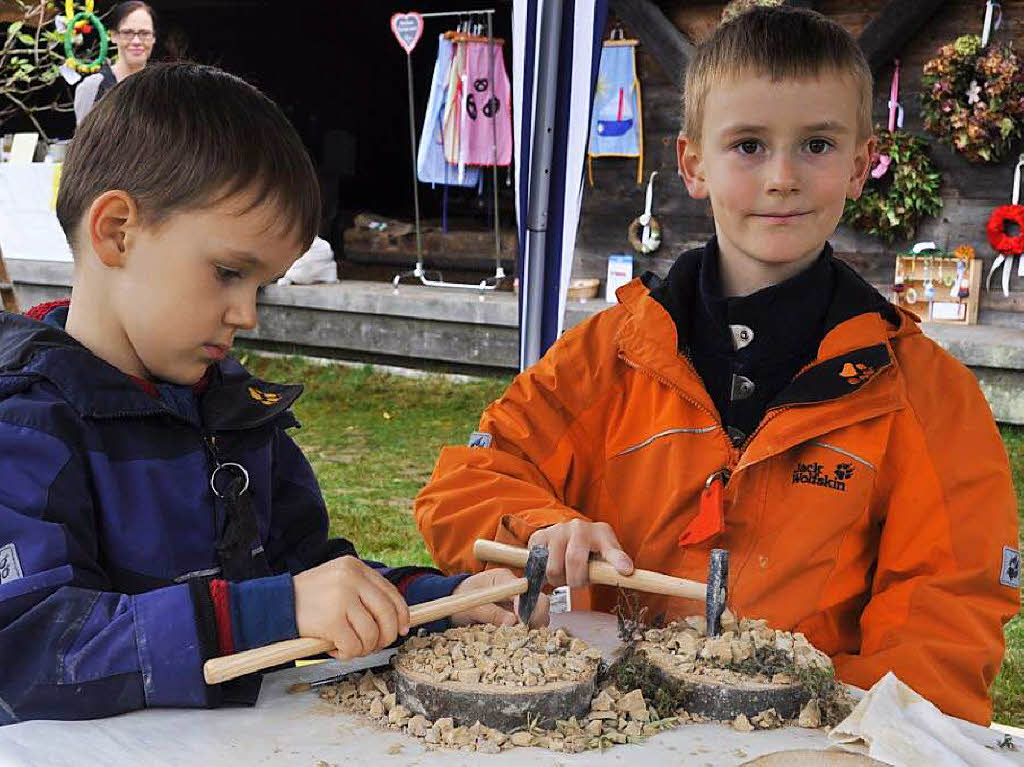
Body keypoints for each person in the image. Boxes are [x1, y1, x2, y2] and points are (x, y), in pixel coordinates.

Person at [415, 6, 1019, 726]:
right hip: (620, 725)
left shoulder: (926, 395)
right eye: (749, 145)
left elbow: (946, 611)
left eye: (818, 144)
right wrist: (543, 527)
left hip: (806, 739)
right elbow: (465, 485)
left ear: (862, 164)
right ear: (693, 164)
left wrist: (845, 732)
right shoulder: (607, 357)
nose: (784, 178)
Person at [0, 62, 547, 725]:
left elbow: (312, 574)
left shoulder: (234, 413)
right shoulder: (25, 423)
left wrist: (441, 599)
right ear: (117, 231)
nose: (247, 313)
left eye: (262, 285)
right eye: (229, 272)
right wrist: (271, 612)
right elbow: (32, 648)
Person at [73, 1, 157, 125]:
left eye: (145, 33)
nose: (136, 41)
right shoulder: (93, 87)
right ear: (113, 36)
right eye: (128, 33)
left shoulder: (162, 87)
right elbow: (84, 141)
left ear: (154, 38)